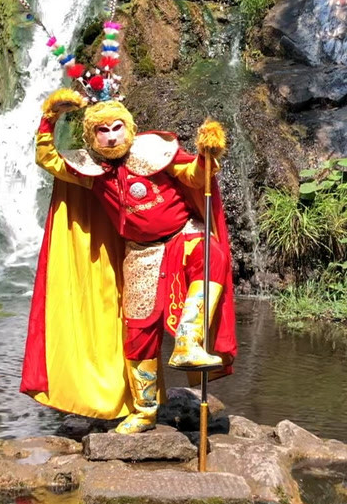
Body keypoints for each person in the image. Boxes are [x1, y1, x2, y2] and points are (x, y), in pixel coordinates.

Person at [20, 89, 236, 434]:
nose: (110, 136)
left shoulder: (156, 152)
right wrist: (50, 117)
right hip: (140, 253)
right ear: (91, 137)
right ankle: (145, 410)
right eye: (101, 131)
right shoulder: (90, 170)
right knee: (137, 331)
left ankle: (189, 340)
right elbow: (50, 160)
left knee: (213, 255)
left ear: (130, 129)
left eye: (116, 127)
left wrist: (207, 154)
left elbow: (195, 176)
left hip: (183, 235)